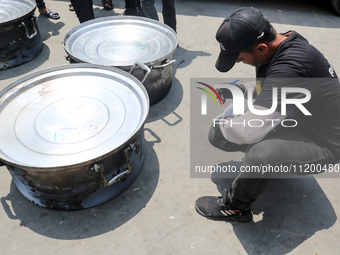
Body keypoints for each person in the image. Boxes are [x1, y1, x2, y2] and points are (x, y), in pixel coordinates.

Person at [195, 7, 340, 222]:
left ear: (261, 48)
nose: (237, 62)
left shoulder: (291, 66)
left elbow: (245, 133)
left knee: (258, 154)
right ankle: (272, 166)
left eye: (239, 58)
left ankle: (236, 207)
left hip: (323, 144)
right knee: (226, 133)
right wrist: (242, 89)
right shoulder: (284, 42)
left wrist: (225, 121)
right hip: (299, 121)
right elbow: (273, 86)